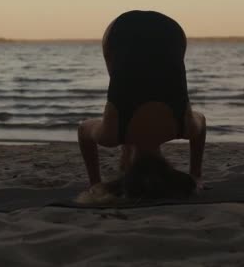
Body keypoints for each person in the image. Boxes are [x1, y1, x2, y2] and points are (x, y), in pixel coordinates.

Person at [77, 10, 207, 195]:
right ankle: (127, 144)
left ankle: (127, 146)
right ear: (130, 168)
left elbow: (202, 123)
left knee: (149, 73)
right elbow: (83, 131)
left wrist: (195, 175)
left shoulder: (184, 128)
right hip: (120, 30)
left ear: (167, 165)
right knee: (120, 75)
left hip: (171, 32)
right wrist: (95, 183)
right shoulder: (111, 134)